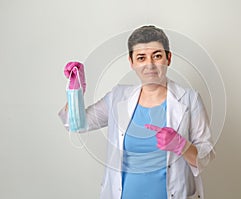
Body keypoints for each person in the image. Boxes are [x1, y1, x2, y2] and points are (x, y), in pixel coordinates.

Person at [59, 25, 215, 199]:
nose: (150, 64)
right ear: (131, 62)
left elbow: (205, 157)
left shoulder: (190, 100)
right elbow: (77, 125)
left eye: (157, 56)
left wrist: (182, 145)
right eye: (141, 58)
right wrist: (75, 91)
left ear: (168, 58)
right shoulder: (117, 97)